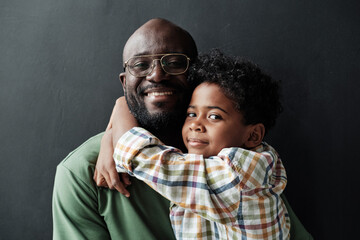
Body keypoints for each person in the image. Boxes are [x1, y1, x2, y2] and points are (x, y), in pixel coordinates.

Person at [52, 18, 313, 240]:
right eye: (141, 65)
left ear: (196, 75)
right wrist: (120, 116)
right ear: (125, 82)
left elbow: (146, 158)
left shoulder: (237, 159)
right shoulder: (81, 172)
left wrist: (121, 114)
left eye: (175, 62)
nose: (156, 75)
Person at [99, 50, 290, 239]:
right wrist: (109, 136)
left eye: (214, 116)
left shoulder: (239, 176)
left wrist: (123, 105)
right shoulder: (259, 157)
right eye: (191, 114)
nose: (196, 125)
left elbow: (146, 159)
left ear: (253, 135)